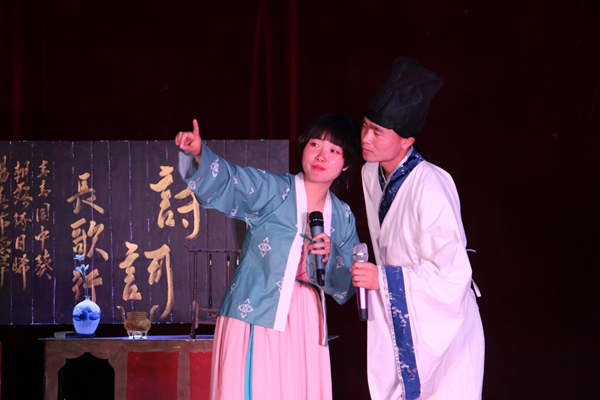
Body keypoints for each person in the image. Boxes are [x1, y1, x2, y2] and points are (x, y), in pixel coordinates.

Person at [175, 114, 361, 400]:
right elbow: (233, 180)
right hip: (257, 311)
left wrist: (330, 255)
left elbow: (347, 285)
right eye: (315, 144)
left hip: (307, 320)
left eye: (334, 150)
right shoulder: (275, 190)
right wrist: (200, 154)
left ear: (346, 163)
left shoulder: (343, 215)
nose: (321, 156)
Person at [349, 56, 485, 399]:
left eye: (377, 132)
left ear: (406, 140)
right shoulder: (370, 173)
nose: (365, 138)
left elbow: (454, 274)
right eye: (365, 126)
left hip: (443, 323)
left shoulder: (431, 183)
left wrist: (383, 279)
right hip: (402, 314)